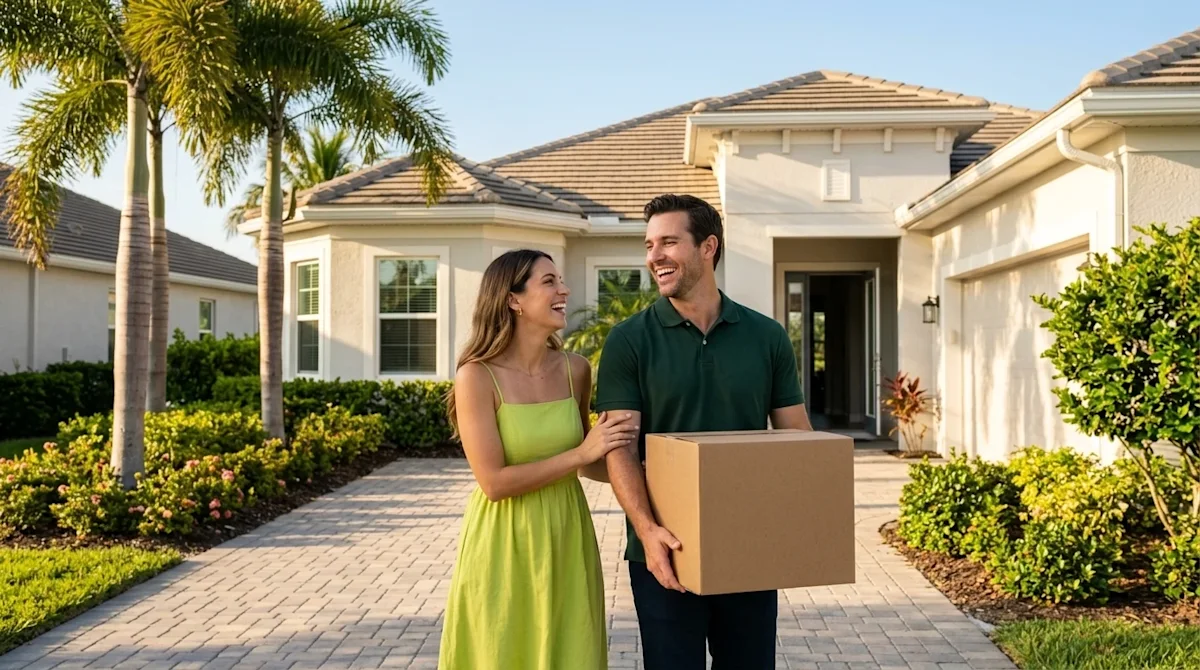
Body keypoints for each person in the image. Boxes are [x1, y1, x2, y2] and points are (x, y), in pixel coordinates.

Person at [594, 194, 814, 669]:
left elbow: (797, 438)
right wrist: (646, 531)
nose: (654, 256)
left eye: (668, 242)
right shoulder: (628, 341)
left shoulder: (767, 336)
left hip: (749, 544)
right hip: (664, 548)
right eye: (649, 245)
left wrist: (797, 530)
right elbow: (619, 448)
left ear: (708, 247)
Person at [437, 249, 639, 670]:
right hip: (504, 539)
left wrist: (649, 471)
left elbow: (590, 462)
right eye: (549, 282)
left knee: (571, 650)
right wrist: (581, 452)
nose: (564, 290)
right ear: (513, 299)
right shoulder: (476, 376)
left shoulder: (576, 370)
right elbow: (494, 483)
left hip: (567, 533)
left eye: (560, 280)